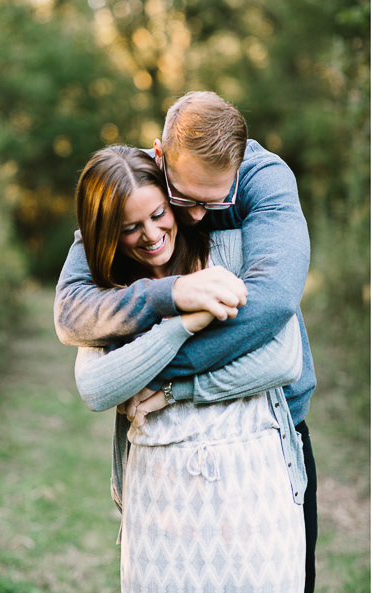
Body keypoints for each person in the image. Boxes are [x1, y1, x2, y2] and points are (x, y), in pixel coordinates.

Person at [54, 91, 318, 592]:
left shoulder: (265, 181)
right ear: (159, 158)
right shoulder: (136, 189)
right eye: (186, 200)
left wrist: (157, 374)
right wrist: (172, 296)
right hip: (164, 465)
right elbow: (73, 312)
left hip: (275, 424)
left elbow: (274, 304)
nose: (197, 217)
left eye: (213, 203)